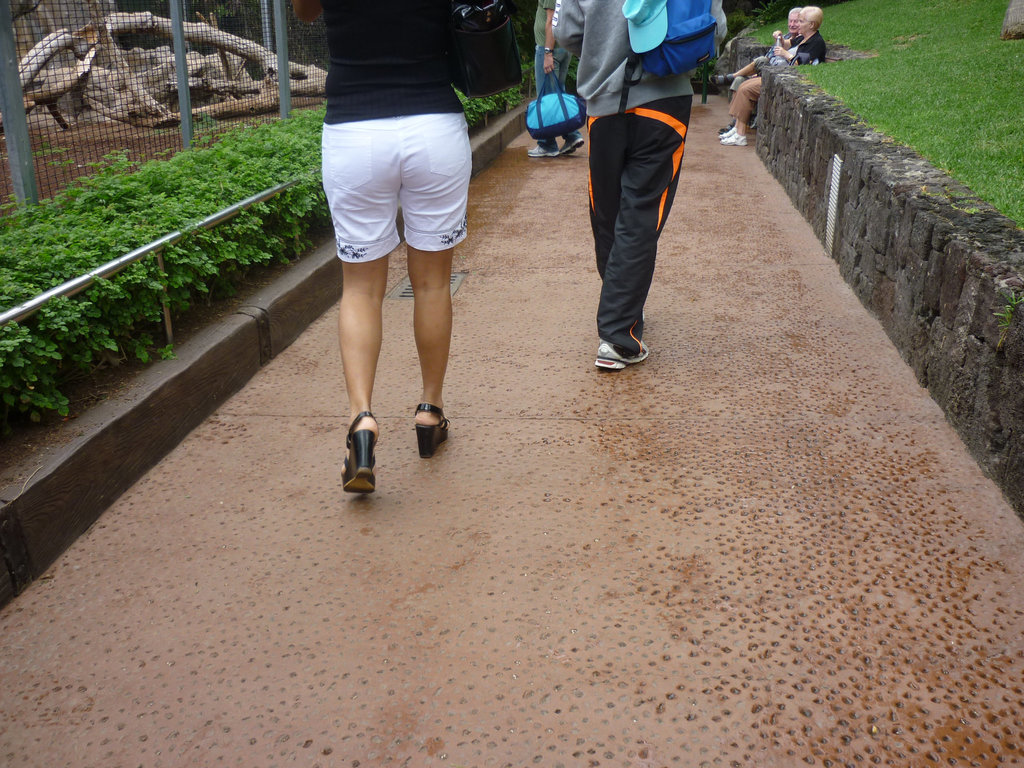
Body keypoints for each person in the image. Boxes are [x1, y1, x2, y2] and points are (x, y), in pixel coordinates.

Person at [292, 0, 472, 493]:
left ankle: (362, 422)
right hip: (434, 124)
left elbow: (305, 11)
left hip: (354, 128)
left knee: (360, 290)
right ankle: (430, 412)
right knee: (433, 284)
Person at [554, 0, 726, 370]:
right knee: (641, 215)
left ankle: (620, 322)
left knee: (607, 214)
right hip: (665, 101)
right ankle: (619, 332)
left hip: (604, 103)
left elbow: (567, 34)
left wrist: (606, 42)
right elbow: (716, 30)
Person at [720, 5, 826, 147]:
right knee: (743, 84)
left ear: (811, 24)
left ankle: (740, 135)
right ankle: (737, 129)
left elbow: (801, 65)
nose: (797, 24)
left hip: (788, 81)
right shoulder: (803, 38)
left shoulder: (816, 42)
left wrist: (784, 54)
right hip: (779, 76)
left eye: (801, 21)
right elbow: (787, 44)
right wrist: (780, 38)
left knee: (746, 89)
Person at [529, 0, 586, 158]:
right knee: (557, 94)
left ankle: (547, 144)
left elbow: (551, 20)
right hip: (562, 48)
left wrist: (547, 53)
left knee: (547, 96)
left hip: (549, 49)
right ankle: (572, 136)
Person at [713, 7, 803, 91]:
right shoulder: (785, 37)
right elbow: (770, 56)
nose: (792, 25)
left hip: (777, 76)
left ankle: (732, 76)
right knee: (739, 80)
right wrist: (758, 73)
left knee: (761, 60)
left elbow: (796, 63)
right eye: (790, 21)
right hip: (764, 71)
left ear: (803, 22)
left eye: (795, 22)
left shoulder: (804, 42)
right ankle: (734, 104)